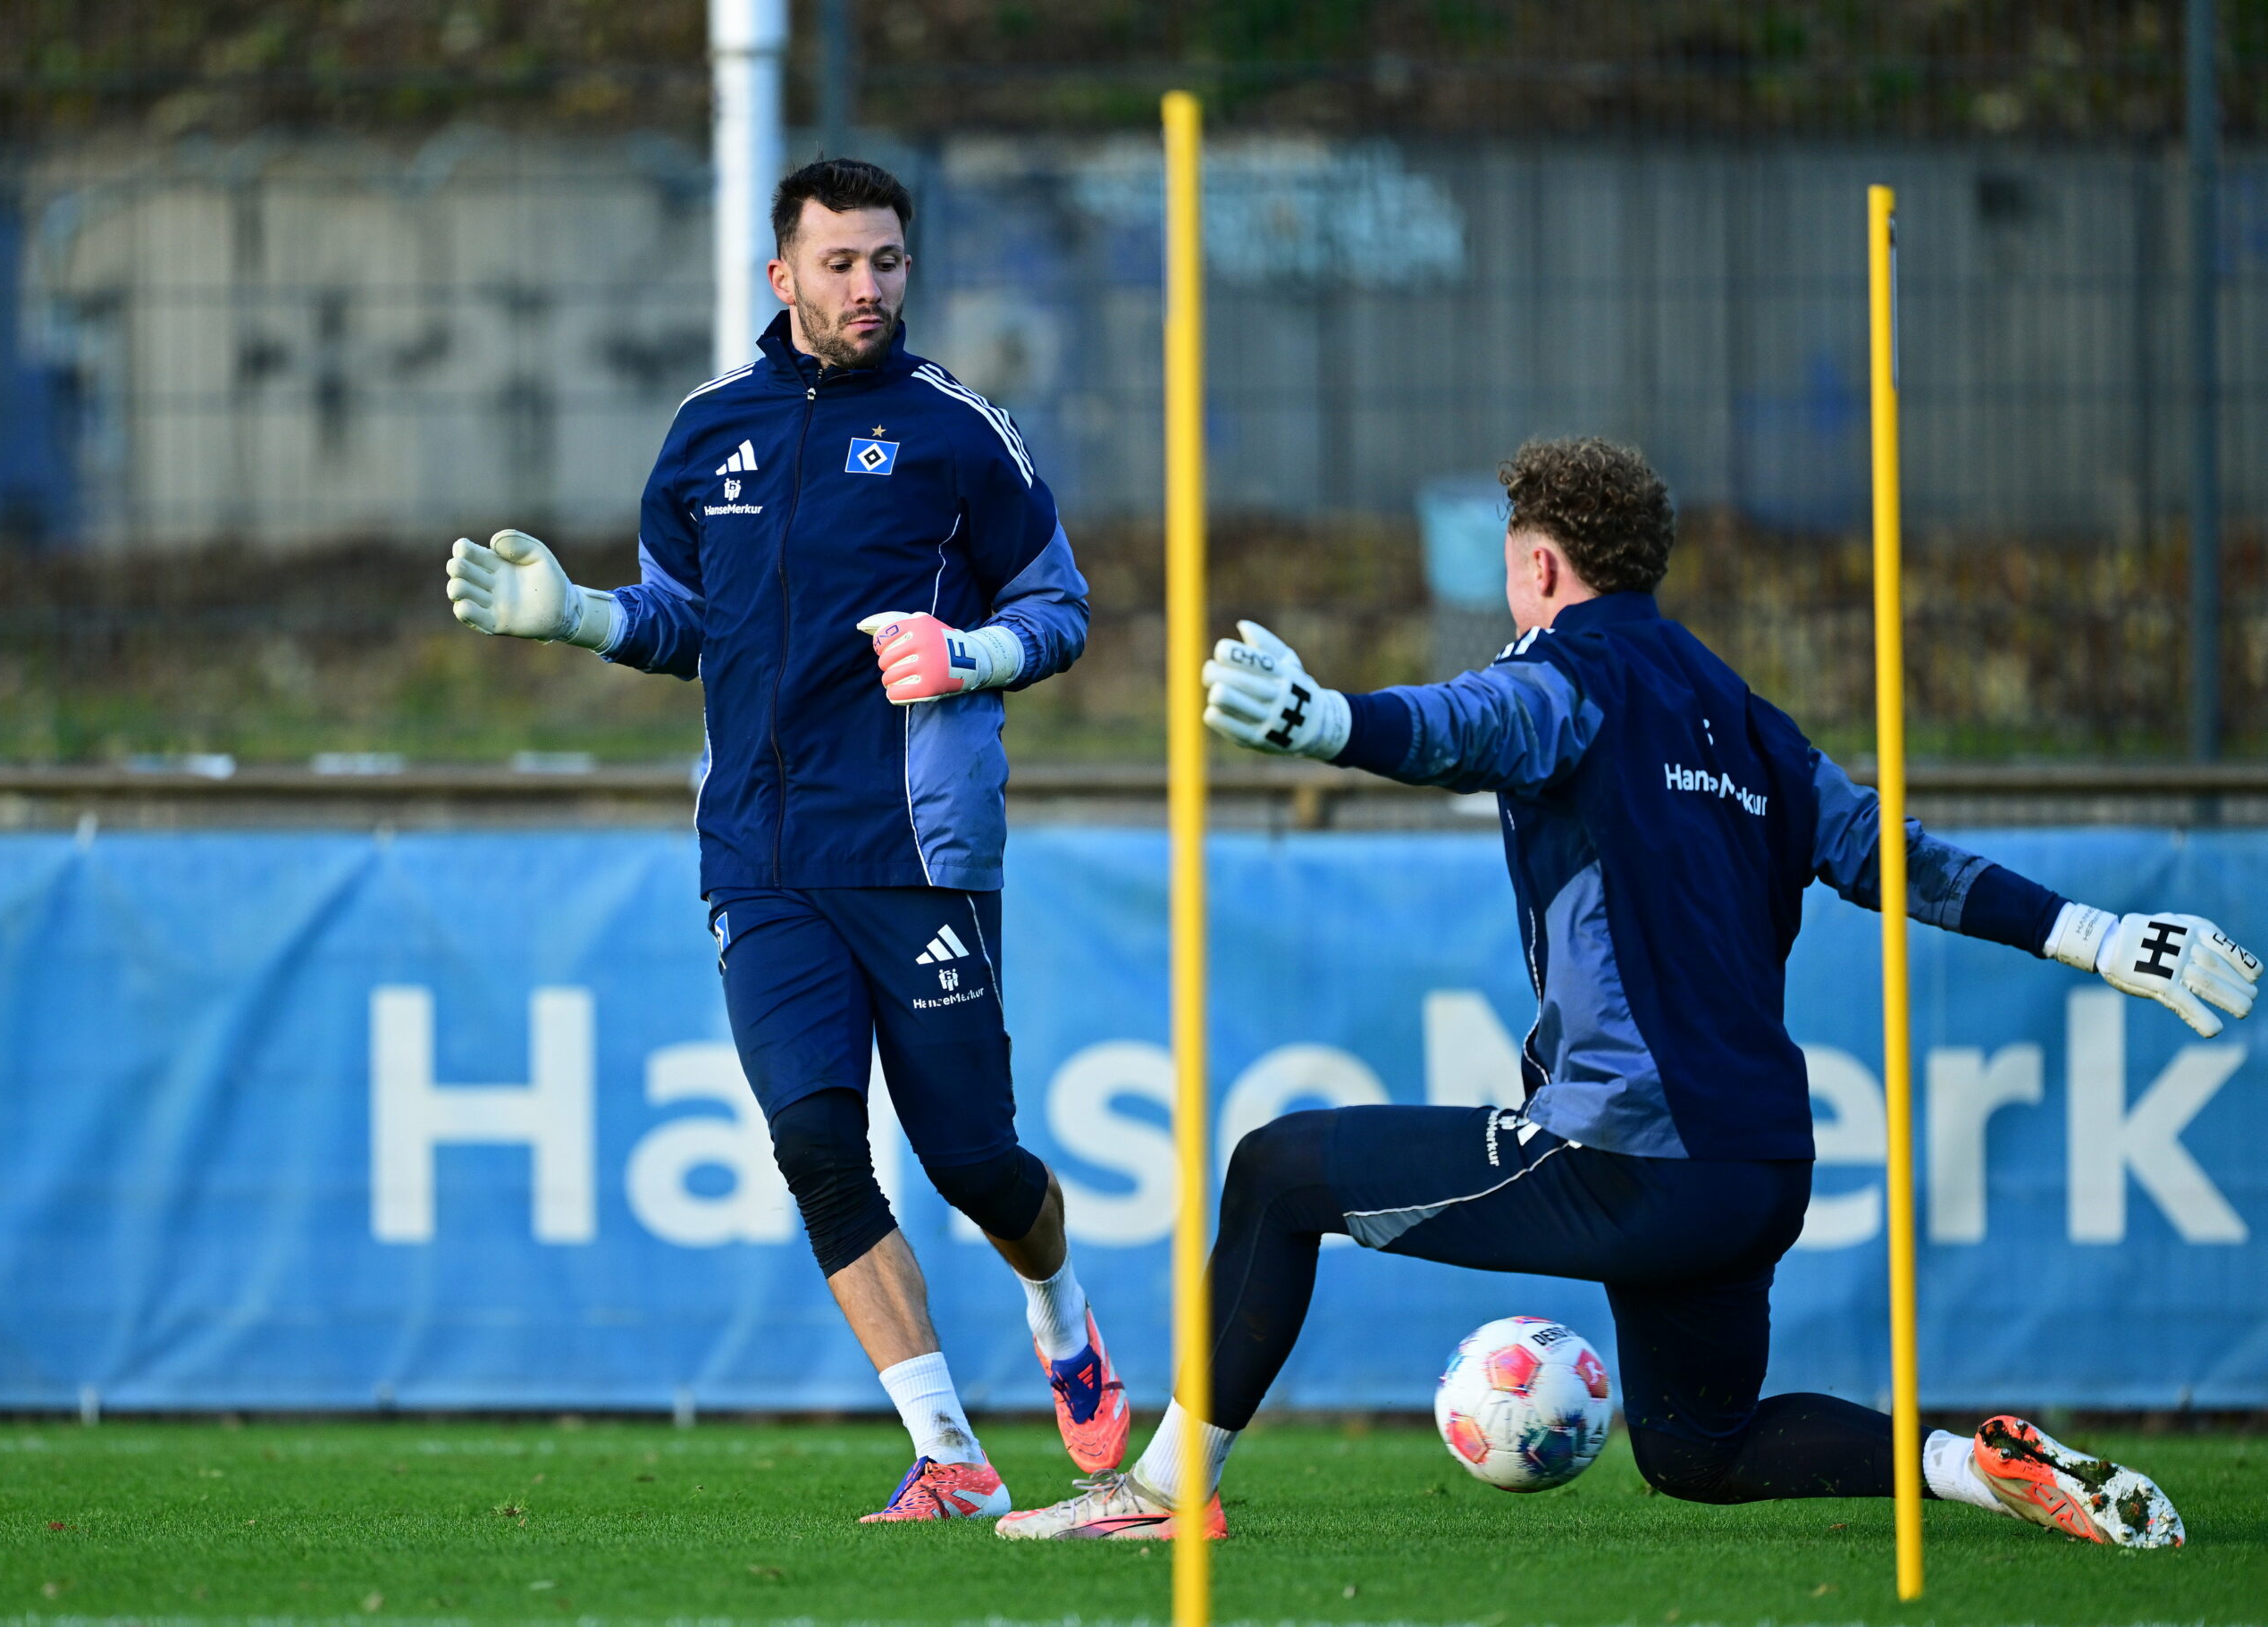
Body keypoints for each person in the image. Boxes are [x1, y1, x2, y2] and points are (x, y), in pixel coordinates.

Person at [997, 435, 2255, 1547]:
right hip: (1758, 1167)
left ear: (1539, 566)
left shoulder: (1569, 676)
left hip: (1631, 1155)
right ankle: (1968, 1462)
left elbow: (1470, 723)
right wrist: (2094, 933)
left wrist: (1329, 721)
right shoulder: (1742, 712)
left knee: (1280, 1170)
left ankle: (1159, 1497)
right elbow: (1893, 857)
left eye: (1510, 561)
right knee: (1696, 1446)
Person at [443, 158, 1124, 1523]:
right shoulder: (710, 432)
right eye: (840, 263)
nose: (867, 286)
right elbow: (686, 618)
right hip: (756, 856)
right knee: (815, 1142)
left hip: (919, 850)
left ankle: (1060, 1304)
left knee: (975, 1164)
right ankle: (950, 1454)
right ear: (783, 276)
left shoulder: (958, 433)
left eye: (888, 262)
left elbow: (1060, 604)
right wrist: (579, 616)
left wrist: (973, 650)